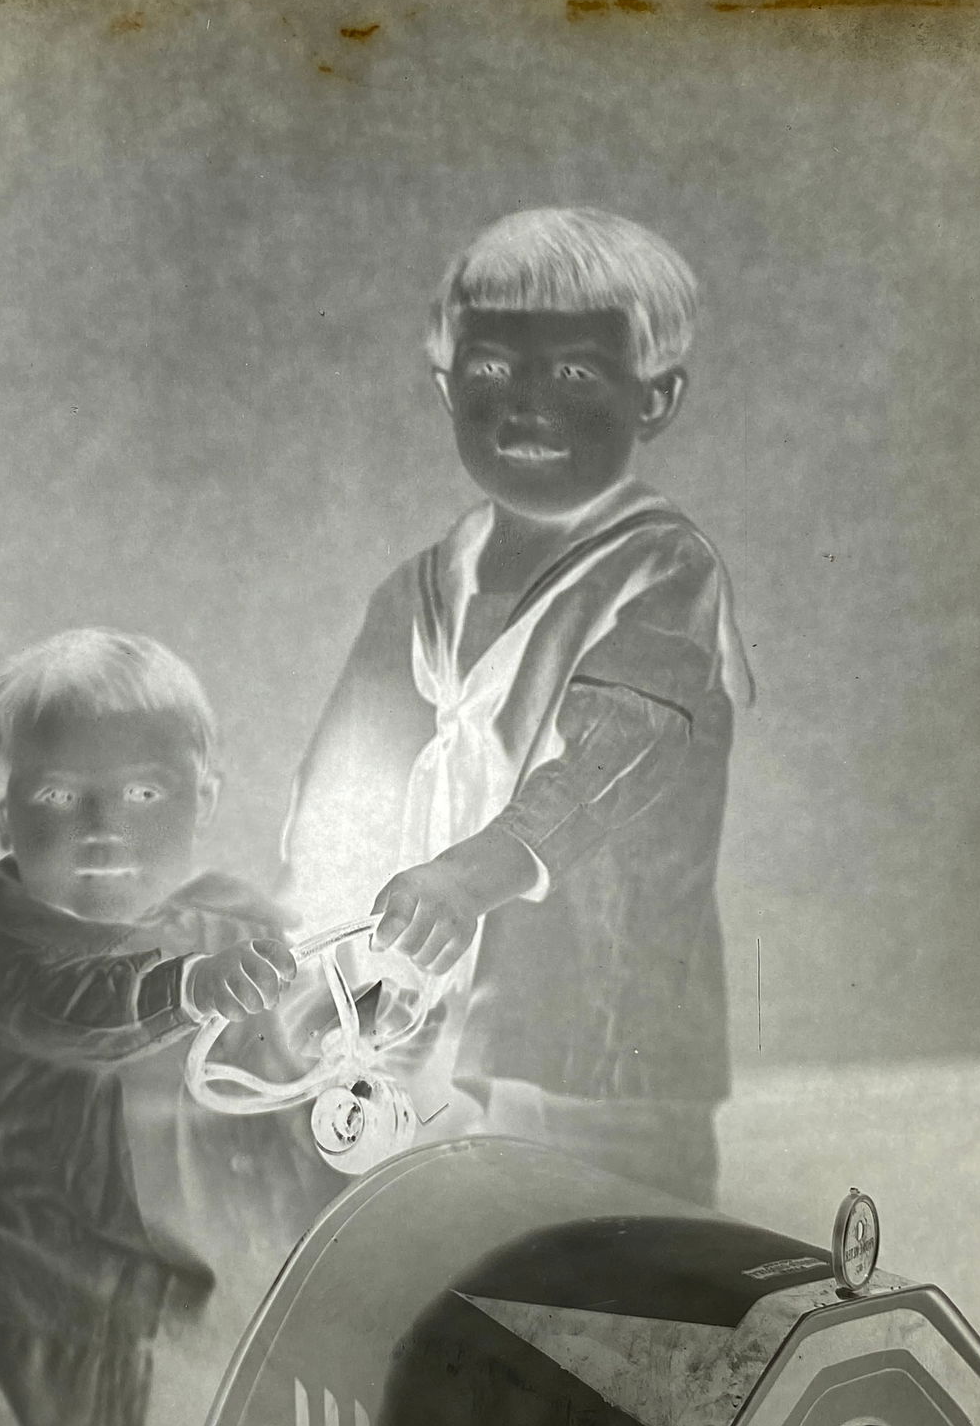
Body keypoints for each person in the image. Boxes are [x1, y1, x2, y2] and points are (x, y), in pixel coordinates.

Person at [282, 207, 753, 1205]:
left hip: (595, 1028)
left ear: (656, 398)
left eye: (575, 376)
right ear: (448, 388)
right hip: (422, 1015)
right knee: (425, 1255)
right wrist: (319, 962)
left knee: (614, 1268)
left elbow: (613, 759)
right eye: (493, 373)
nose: (526, 410)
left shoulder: (664, 572)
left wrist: (471, 874)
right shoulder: (417, 592)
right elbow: (341, 791)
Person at [0, 627, 329, 1426]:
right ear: (3, 809)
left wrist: (340, 1009)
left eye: (143, 791)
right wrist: (188, 984)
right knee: (133, 1316)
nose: (103, 829)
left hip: (188, 1188)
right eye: (60, 795)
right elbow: (89, 1009)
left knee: (292, 1288)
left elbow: (287, 1015)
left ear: (203, 799)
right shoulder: (15, 951)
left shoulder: (222, 915)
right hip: (48, 1208)